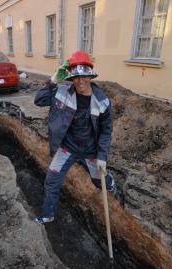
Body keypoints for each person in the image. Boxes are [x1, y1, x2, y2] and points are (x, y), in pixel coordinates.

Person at [34, 51, 115, 224]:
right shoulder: (63, 92)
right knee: (52, 180)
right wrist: (54, 79)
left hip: (90, 150)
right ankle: (48, 215)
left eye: (84, 76)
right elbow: (39, 100)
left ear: (90, 76)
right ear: (71, 77)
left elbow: (106, 131)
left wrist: (101, 156)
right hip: (67, 148)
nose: (80, 81)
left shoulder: (102, 102)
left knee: (100, 181)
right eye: (76, 77)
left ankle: (111, 185)